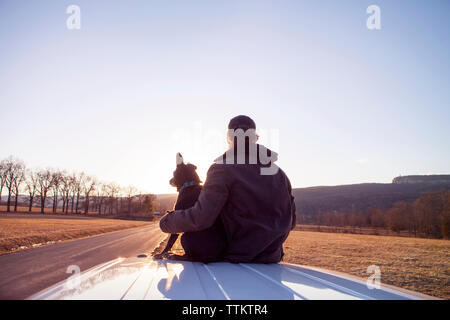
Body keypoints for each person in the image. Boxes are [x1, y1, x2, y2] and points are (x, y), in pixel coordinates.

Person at [159, 115, 297, 263]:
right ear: (255, 138)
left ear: (229, 138)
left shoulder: (221, 169)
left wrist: (167, 222)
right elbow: (292, 221)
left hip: (233, 257)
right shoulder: (280, 174)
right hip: (271, 259)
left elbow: (201, 218)